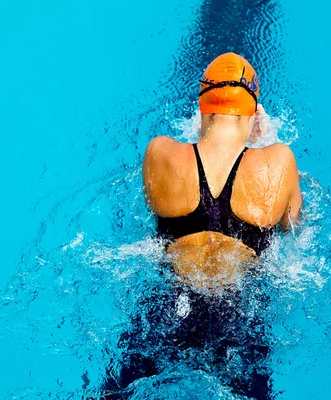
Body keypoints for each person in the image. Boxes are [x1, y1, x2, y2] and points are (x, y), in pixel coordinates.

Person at [100, 53, 301, 400]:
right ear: (253, 114)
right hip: (237, 312)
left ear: (202, 109)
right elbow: (293, 226)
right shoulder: (278, 160)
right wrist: (264, 142)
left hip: (169, 307)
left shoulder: (160, 152)